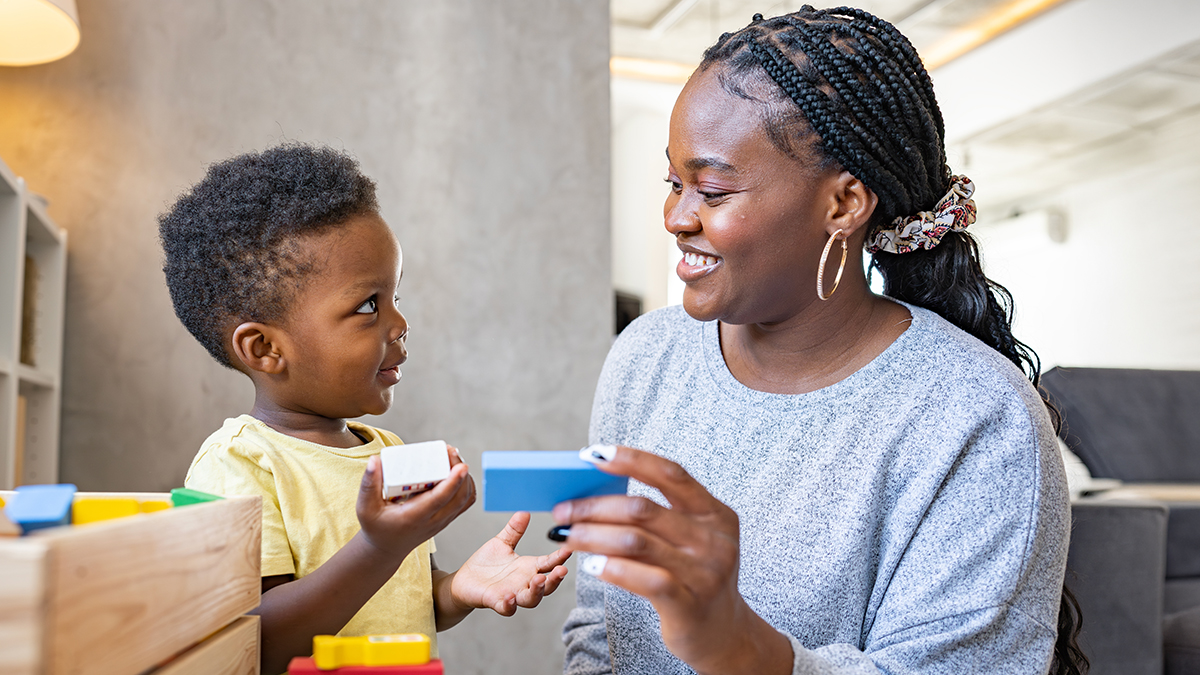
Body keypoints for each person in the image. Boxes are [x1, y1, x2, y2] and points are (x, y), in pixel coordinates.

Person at [556, 7, 1085, 675]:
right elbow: (598, 620)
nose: (676, 217)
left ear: (843, 205)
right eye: (673, 181)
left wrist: (743, 649)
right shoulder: (645, 356)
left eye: (712, 189)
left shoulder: (980, 417)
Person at [158, 143, 571, 674]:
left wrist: (457, 589)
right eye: (369, 306)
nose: (398, 325)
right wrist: (380, 547)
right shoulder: (238, 465)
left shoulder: (385, 452)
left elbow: (399, 600)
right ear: (265, 349)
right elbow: (261, 639)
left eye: (395, 298)